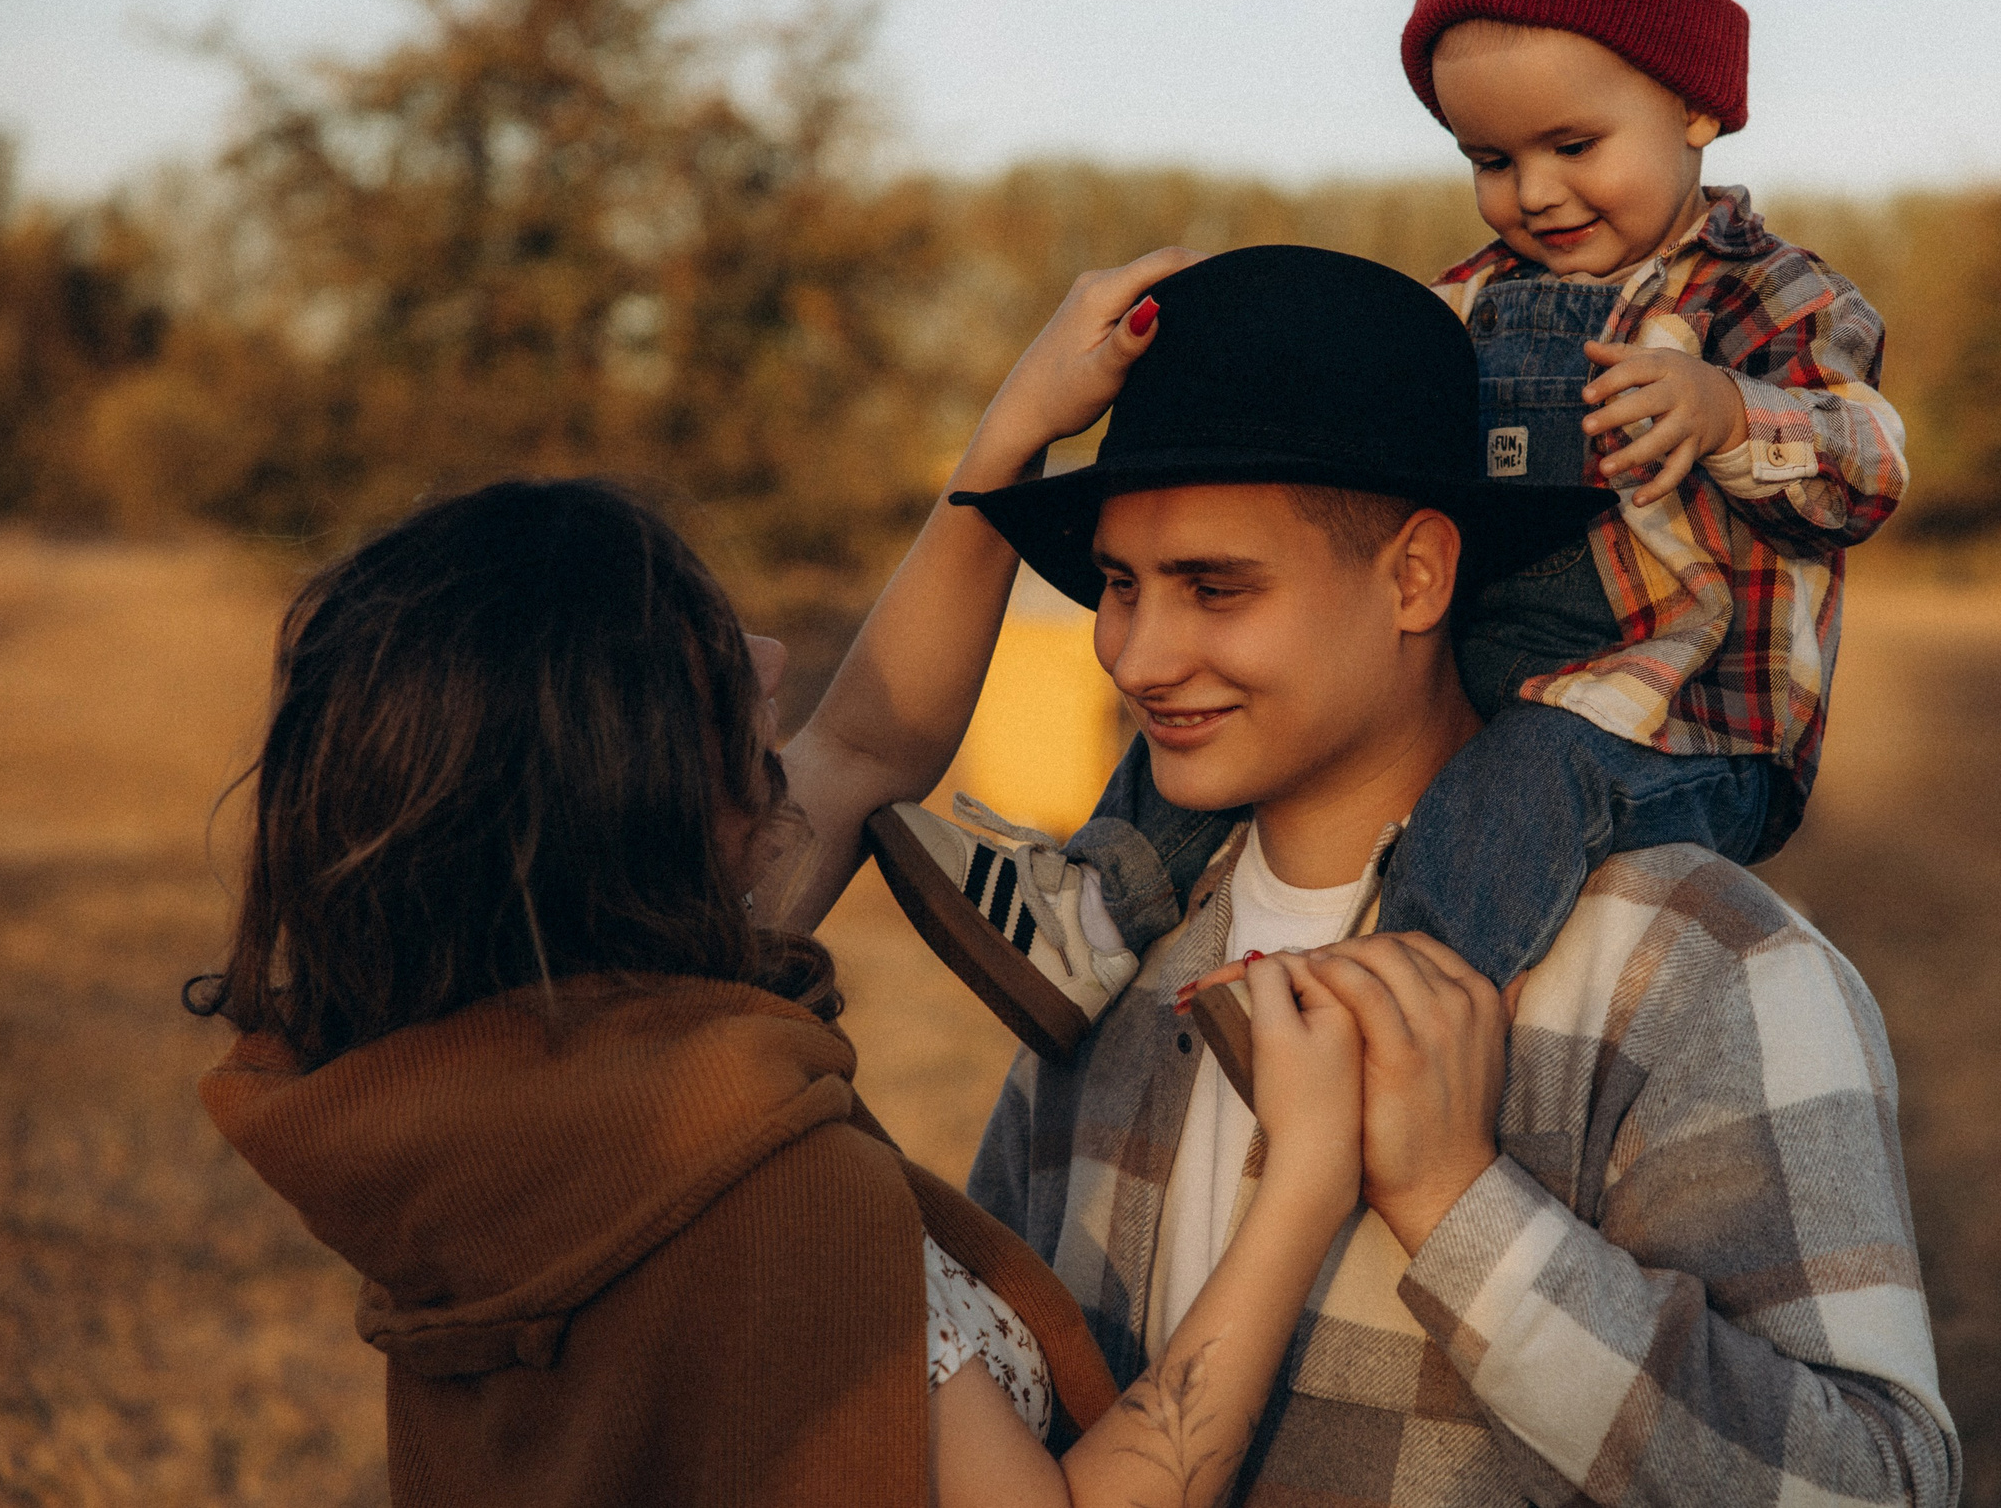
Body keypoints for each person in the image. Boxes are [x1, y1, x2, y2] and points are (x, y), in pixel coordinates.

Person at [190, 255, 1374, 1508]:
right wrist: (1304, 1180)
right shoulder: (758, 1185)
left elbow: (864, 744)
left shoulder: (479, 1095)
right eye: (700, 666)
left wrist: (1012, 434)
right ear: (621, 786)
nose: (764, 656)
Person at [955, 244, 1958, 1505]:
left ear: (1418, 575)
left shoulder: (1697, 962)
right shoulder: (1107, 951)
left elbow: (1875, 1486)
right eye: (1117, 585)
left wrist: (1457, 1201)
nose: (1140, 656)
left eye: (1215, 588)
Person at [867, 0, 1909, 1064]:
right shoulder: (1465, 304)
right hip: (1492, 666)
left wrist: (1728, 412)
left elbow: (1866, 472)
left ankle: (1394, 1026)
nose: (1535, 192)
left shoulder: (1769, 296)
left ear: (1695, 109)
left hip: (1681, 723)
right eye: (1491, 157)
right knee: (1207, 705)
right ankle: (1087, 912)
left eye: (1573, 145)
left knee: (1522, 782)